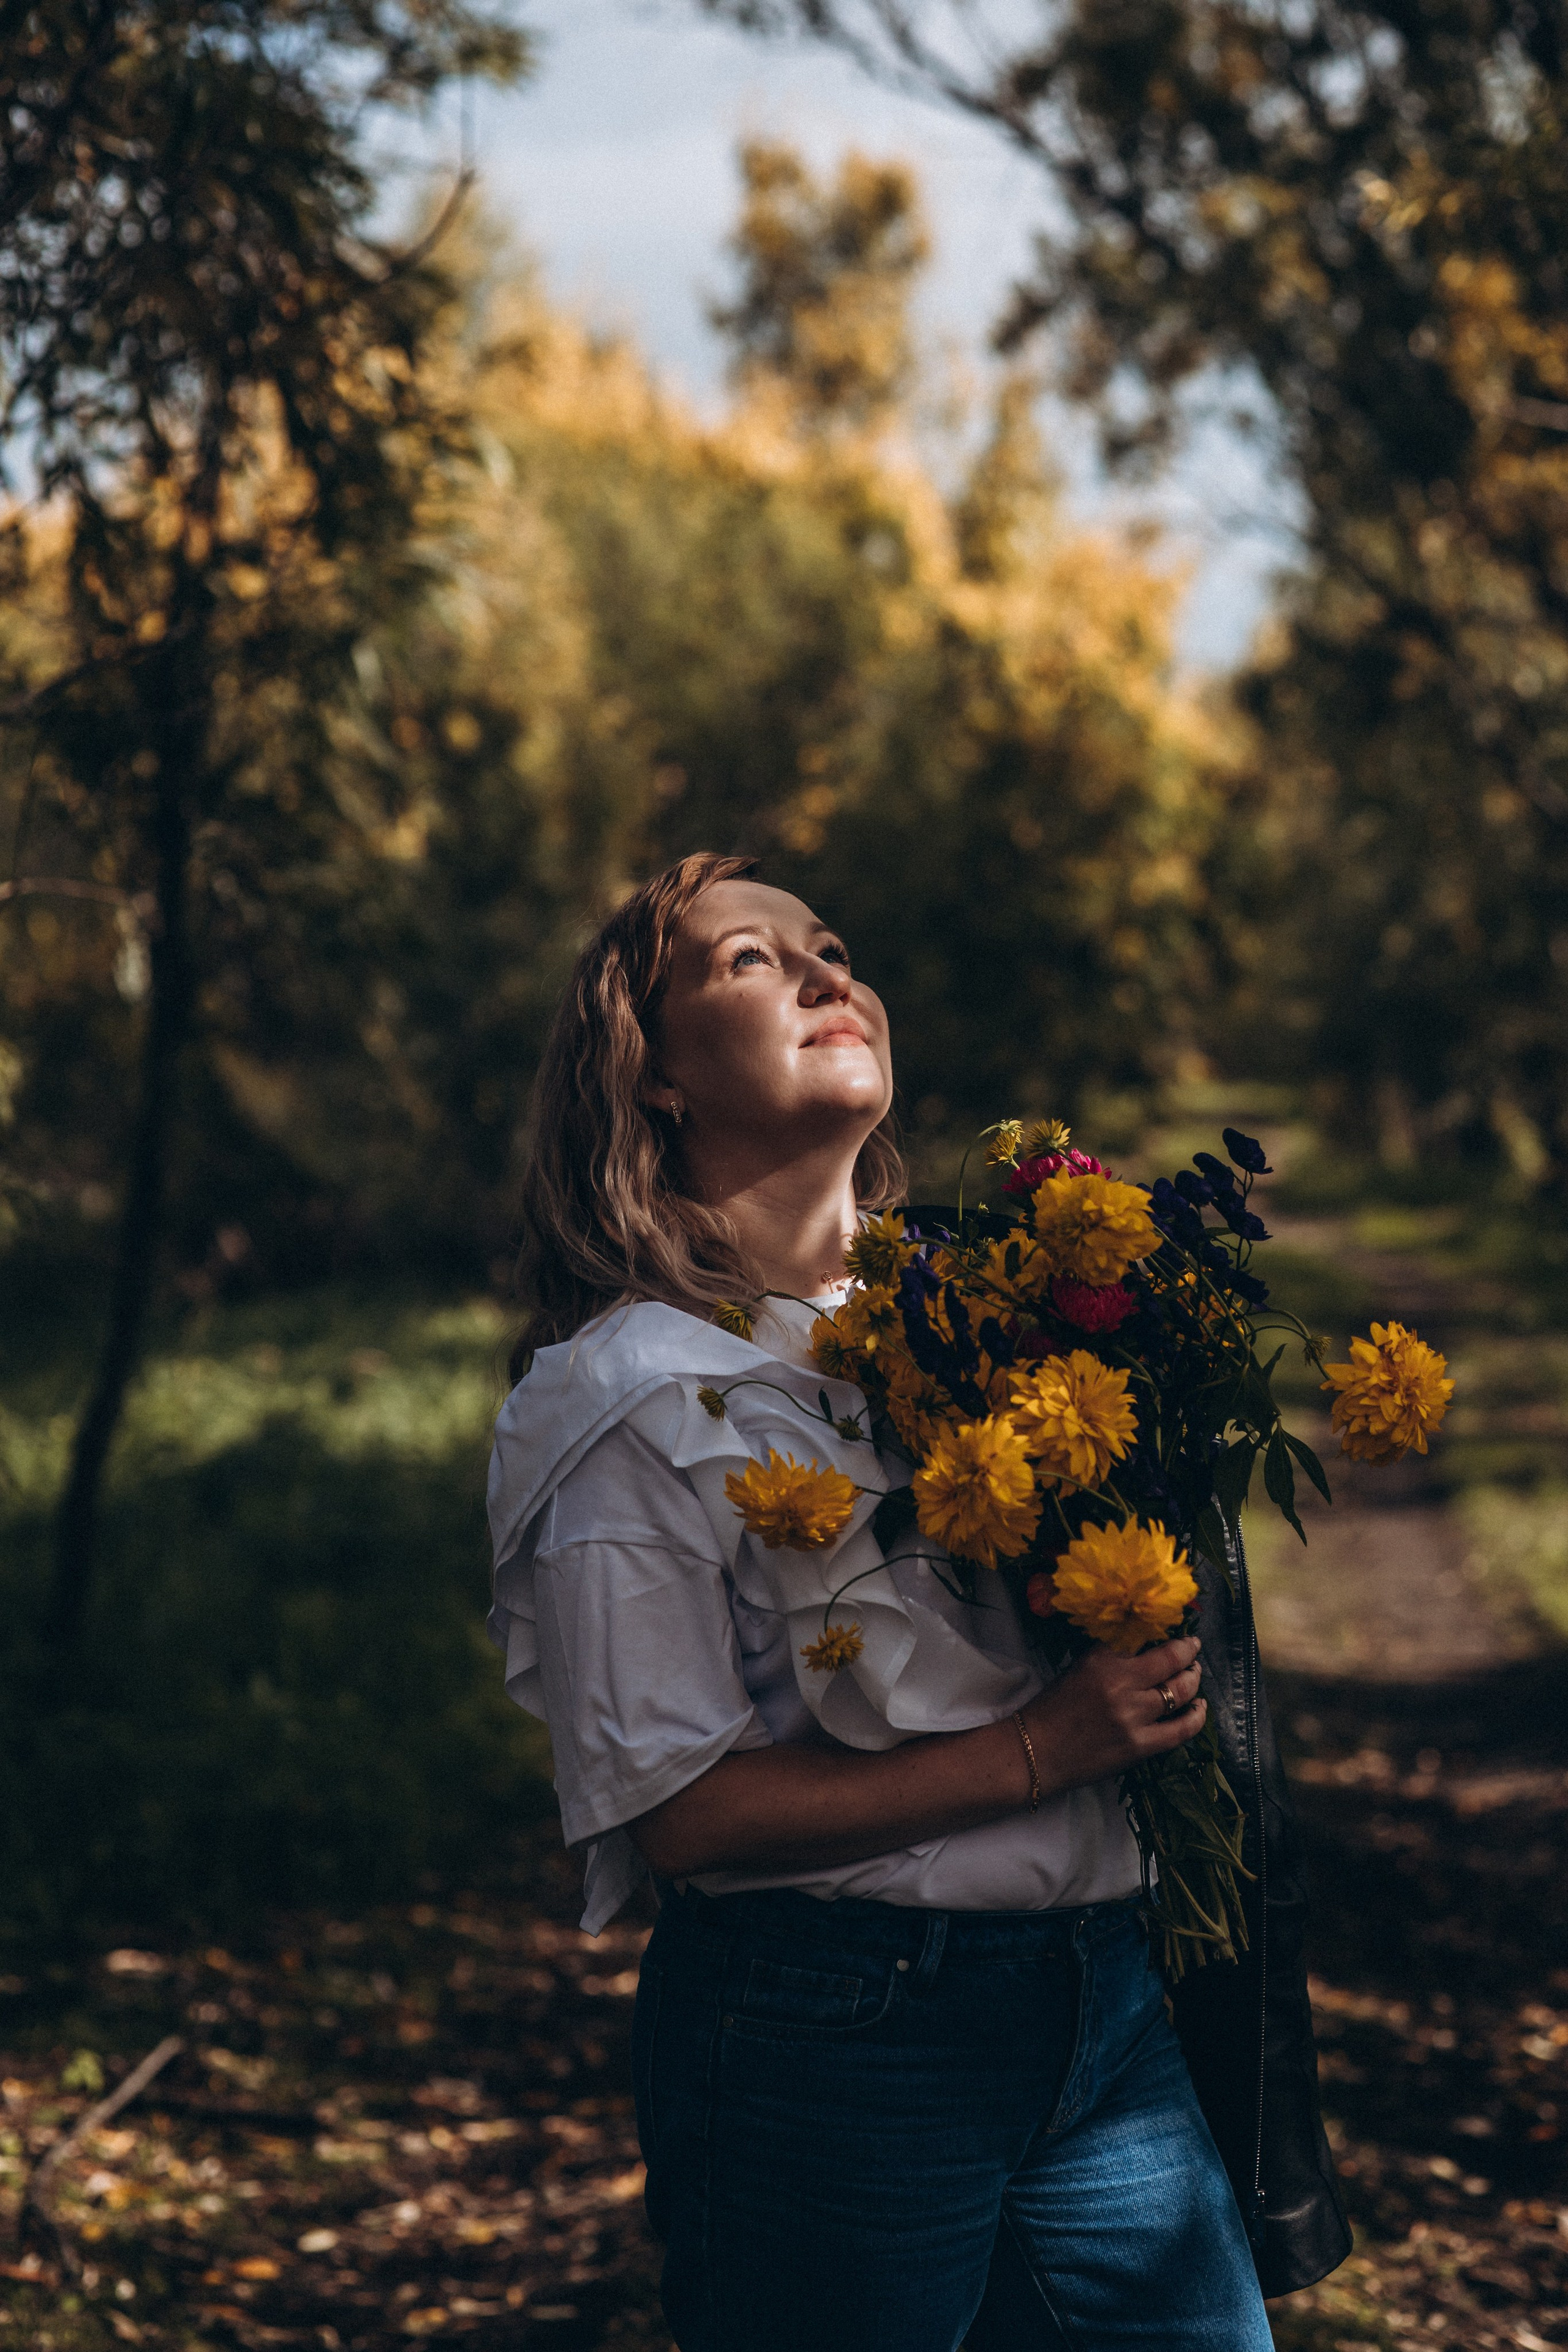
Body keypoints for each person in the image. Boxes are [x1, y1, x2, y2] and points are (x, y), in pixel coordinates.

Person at [487, 851, 1343, 2352]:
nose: (823, 973)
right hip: (837, 2033)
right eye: (749, 962)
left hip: (1103, 2001)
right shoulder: (623, 1400)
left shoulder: (973, 1319)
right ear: (655, 1080)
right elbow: (678, 1814)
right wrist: (1043, 1752)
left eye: (827, 944)